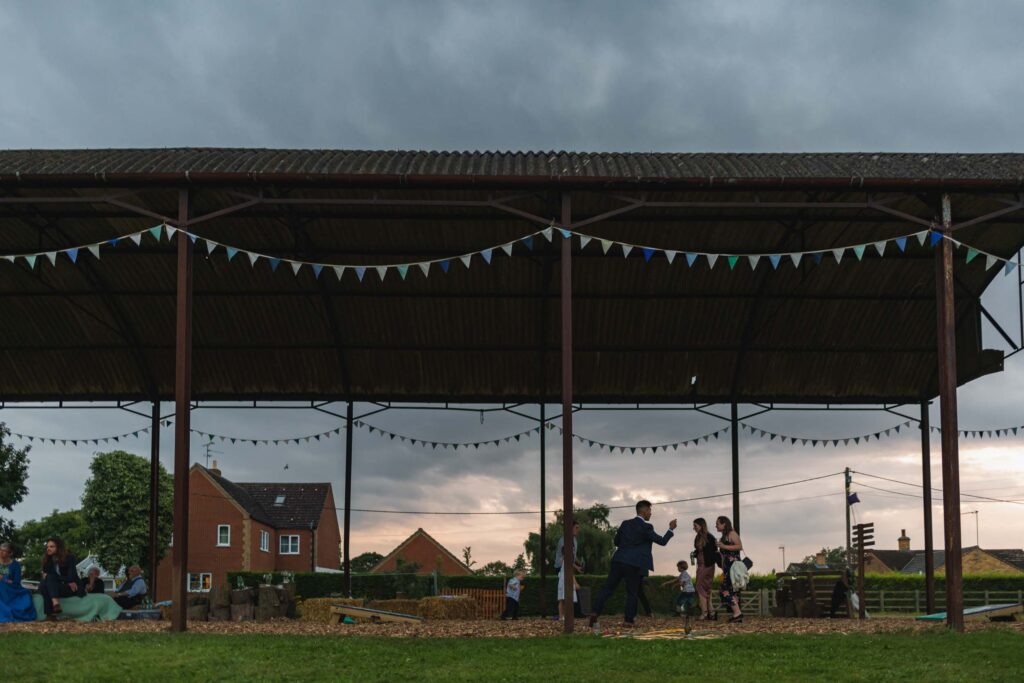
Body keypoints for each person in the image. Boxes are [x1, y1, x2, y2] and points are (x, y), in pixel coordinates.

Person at [589, 500, 677, 628]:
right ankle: (628, 621)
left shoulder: (625, 524)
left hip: (618, 559)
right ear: (644, 511)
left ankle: (595, 612)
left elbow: (616, 541)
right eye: (650, 511)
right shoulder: (647, 527)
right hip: (634, 563)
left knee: (607, 588)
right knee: (632, 592)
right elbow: (662, 541)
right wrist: (670, 529)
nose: (650, 514)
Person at [39, 536, 85, 619]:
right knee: (43, 584)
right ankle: (55, 606)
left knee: (48, 579)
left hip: (71, 587)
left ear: (59, 547)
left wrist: (54, 577)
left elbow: (71, 577)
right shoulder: (47, 560)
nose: (48, 549)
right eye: (47, 547)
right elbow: (47, 578)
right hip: (55, 587)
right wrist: (52, 577)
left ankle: (50, 613)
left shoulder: (70, 558)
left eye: (51, 546)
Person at [715, 516, 744, 623]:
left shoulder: (732, 533)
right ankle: (737, 614)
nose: (716, 525)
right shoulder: (725, 536)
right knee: (730, 590)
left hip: (733, 566)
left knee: (725, 589)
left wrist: (723, 546)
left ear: (724, 524)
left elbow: (739, 546)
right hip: (728, 566)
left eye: (718, 523)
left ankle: (737, 613)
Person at [0, 542, 37, 622]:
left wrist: (4, 579)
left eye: (4, 550)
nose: (1, 552)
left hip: (11, 589)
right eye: (0, 550)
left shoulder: (15, 565)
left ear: (10, 553)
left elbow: (16, 582)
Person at [554, 521, 581, 621]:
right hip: (562, 568)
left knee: (566, 594)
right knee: (564, 593)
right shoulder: (565, 539)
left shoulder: (574, 540)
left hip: (568, 566)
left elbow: (572, 556)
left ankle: (565, 616)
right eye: (576, 527)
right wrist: (575, 581)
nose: (578, 530)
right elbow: (566, 558)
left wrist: (577, 565)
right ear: (570, 528)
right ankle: (563, 616)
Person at [693, 517, 717, 620]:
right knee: (706, 587)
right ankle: (711, 612)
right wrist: (695, 553)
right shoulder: (698, 537)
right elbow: (699, 550)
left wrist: (709, 563)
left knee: (699, 586)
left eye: (695, 526)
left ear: (701, 525)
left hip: (707, 565)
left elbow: (713, 551)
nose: (694, 528)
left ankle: (704, 612)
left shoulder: (710, 537)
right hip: (701, 564)